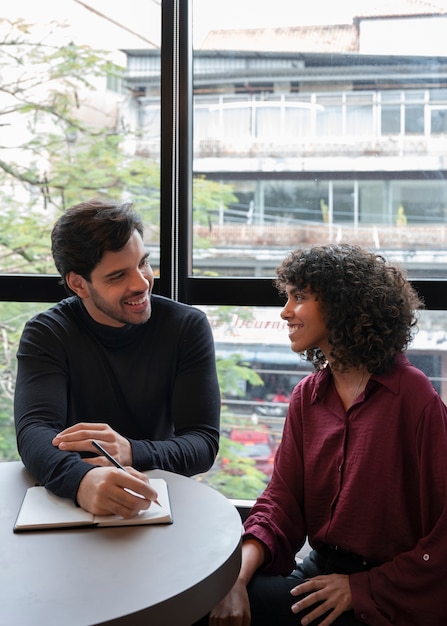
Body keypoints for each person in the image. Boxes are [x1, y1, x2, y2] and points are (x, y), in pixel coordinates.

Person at [209, 243, 447, 626]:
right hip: (318, 572)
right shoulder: (307, 396)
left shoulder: (413, 396)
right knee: (210, 599)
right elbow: (281, 504)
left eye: (299, 297)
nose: (285, 311)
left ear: (341, 305)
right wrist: (234, 577)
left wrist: (364, 588)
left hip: (389, 592)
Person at [14, 199, 220, 518]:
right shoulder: (48, 332)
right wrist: (81, 480)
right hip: (72, 503)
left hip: (157, 501)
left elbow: (203, 443)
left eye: (143, 263)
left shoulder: (185, 327)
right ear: (79, 284)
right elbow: (34, 431)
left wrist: (130, 450)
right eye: (118, 275)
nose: (141, 283)